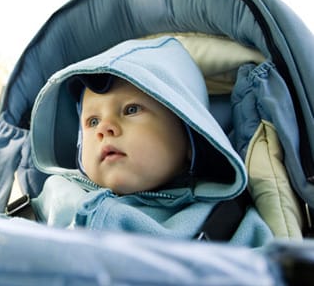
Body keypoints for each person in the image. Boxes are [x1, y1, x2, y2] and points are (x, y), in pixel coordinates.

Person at [25, 36, 273, 247]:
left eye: (131, 109)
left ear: (192, 136)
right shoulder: (56, 196)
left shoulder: (224, 220)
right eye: (91, 121)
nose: (104, 128)